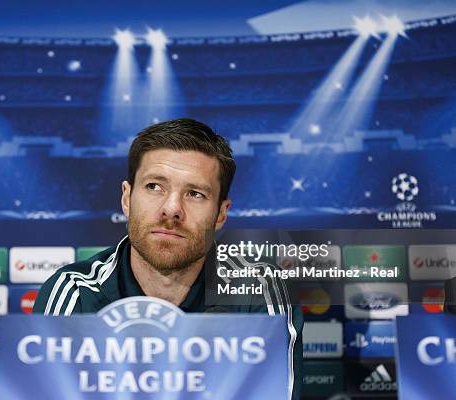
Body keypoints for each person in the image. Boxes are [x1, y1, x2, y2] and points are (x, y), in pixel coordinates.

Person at [33, 118, 303, 399]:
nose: (172, 209)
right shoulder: (74, 291)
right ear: (127, 198)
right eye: (154, 187)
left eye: (195, 194)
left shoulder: (256, 288)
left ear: (221, 214)